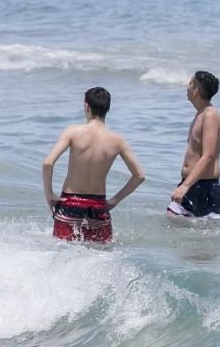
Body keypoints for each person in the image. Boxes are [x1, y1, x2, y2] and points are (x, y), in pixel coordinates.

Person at [42, 87, 145, 243]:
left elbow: (48, 163)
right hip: (99, 207)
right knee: (100, 255)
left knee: (62, 252)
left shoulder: (73, 132)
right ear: (108, 109)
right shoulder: (117, 140)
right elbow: (139, 176)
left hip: (70, 204)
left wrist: (49, 194)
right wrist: (115, 200)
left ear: (86, 106)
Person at [167, 71, 220, 219]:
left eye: (190, 83)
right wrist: (185, 185)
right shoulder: (200, 114)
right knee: (172, 223)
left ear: (196, 91)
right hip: (190, 183)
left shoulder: (210, 115)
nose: (187, 87)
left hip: (205, 187)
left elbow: (209, 156)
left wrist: (185, 186)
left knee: (203, 239)